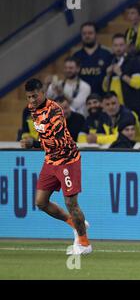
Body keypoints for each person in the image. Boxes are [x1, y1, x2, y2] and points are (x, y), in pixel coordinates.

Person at [20, 79, 92, 255]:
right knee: (41, 202)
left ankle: (84, 244)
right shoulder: (32, 108)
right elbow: (45, 134)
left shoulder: (55, 110)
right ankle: (73, 223)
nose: (32, 100)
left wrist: (34, 144)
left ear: (43, 91)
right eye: (29, 97)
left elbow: (59, 142)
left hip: (67, 159)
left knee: (71, 203)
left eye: (35, 96)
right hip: (51, 160)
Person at [103, 33, 140, 122]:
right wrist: (107, 75)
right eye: (115, 45)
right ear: (112, 47)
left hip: (131, 107)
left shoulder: (134, 61)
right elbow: (105, 88)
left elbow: (137, 84)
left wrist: (121, 74)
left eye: (121, 45)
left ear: (126, 46)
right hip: (114, 109)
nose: (118, 48)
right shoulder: (110, 61)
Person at [73, 22, 113, 96]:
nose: (87, 36)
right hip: (82, 98)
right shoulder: (76, 56)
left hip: (103, 96)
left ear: (96, 34)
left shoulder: (107, 54)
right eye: (84, 33)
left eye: (90, 33)